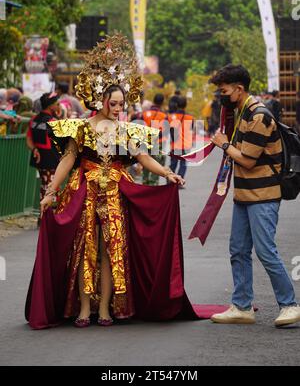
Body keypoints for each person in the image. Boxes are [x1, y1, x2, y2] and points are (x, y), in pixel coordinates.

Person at [26, 34, 214, 330]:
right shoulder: (80, 128)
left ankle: (104, 309)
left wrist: (168, 174)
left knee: (109, 251)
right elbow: (66, 161)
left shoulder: (126, 131)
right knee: (85, 249)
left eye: (121, 104)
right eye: (113, 103)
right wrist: (51, 191)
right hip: (83, 192)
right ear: (100, 100)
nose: (117, 108)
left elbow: (142, 158)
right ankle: (83, 308)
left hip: (115, 194)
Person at [209, 64, 300, 327]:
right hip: (245, 194)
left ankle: (289, 304)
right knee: (238, 250)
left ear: (239, 89)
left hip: (263, 195)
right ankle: (242, 306)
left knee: (265, 251)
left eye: (223, 90)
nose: (221, 95)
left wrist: (224, 145)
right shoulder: (242, 112)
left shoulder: (259, 116)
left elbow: (247, 160)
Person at [26, 92, 61, 227]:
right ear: (51, 105)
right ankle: (48, 219)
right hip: (50, 158)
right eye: (57, 104)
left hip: (40, 157)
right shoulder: (52, 122)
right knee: (51, 187)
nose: (59, 106)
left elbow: (28, 139)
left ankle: (43, 218)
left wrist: (34, 149)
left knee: (45, 185)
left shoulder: (34, 120)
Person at [141, 93, 169, 185]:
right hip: (158, 143)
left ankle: (144, 182)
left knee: (145, 162)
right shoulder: (163, 116)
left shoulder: (144, 114)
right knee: (156, 163)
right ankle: (153, 183)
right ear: (162, 103)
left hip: (145, 141)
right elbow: (165, 131)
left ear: (153, 101)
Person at [169, 96, 194, 185]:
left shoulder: (171, 117)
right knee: (183, 164)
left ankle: (170, 180)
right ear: (185, 105)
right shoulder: (190, 117)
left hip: (175, 145)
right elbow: (191, 129)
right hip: (186, 145)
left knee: (173, 164)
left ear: (176, 105)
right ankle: (180, 181)